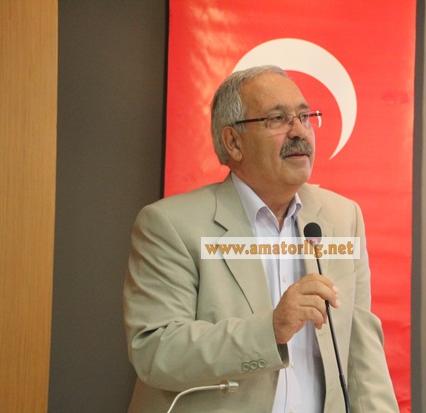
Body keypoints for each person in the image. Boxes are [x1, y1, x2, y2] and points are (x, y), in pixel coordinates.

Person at [123, 65, 399, 412]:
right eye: (277, 119)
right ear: (233, 142)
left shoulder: (342, 219)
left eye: (305, 116)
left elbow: (362, 355)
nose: (299, 131)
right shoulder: (171, 225)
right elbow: (155, 350)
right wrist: (270, 330)